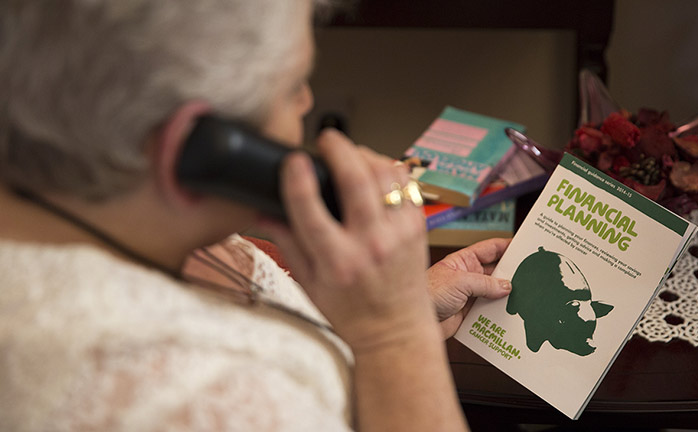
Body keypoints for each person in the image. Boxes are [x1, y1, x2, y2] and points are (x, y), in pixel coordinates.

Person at [0, 0, 512, 430]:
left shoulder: (126, 233)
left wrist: (393, 309)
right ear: (197, 149)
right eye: (292, 87)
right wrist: (394, 335)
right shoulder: (204, 394)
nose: (307, 102)